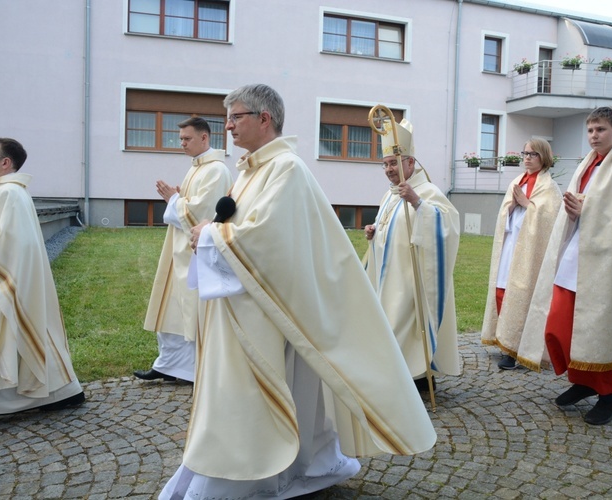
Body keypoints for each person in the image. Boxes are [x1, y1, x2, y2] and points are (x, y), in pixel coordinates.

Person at [159, 84, 436, 499]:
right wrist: (213, 232)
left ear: (264, 119)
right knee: (273, 390)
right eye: (228, 118)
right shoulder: (253, 169)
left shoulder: (285, 168)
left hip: (270, 308)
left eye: (236, 117)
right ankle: (288, 466)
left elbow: (269, 238)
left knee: (260, 392)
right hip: (250, 303)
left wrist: (212, 235)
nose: (229, 126)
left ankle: (254, 475)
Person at [517, 107, 612, 425]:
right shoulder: (587, 165)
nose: (594, 136)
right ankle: (584, 381)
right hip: (576, 255)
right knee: (560, 325)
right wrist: (578, 212)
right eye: (590, 130)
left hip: (608, 262)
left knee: (602, 327)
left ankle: (608, 396)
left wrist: (589, 210)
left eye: (601, 130)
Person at [0, 137, 85, 426]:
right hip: (4, 275)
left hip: (3, 276)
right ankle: (58, 393)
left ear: (5, 162)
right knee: (21, 331)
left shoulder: (9, 193)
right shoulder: (8, 192)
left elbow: (16, 244)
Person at [363, 118, 461, 390]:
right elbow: (389, 227)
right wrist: (374, 232)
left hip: (413, 278)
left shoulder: (427, 192)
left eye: (394, 163)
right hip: (389, 276)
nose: (388, 169)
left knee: (405, 327)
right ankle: (402, 377)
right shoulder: (391, 194)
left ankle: (419, 378)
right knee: (391, 326)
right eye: (385, 164)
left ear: (411, 163)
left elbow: (448, 226)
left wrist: (417, 202)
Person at [135, 117, 233, 383]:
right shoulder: (197, 168)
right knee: (172, 308)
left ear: (204, 138)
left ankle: (193, 370)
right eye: (180, 139)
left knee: (190, 311)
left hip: (194, 251)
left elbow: (203, 213)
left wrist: (174, 200)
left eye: (187, 139)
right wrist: (178, 199)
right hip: (178, 248)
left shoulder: (216, 170)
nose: (182, 144)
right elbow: (189, 205)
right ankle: (169, 365)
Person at [481, 139, 561, 370]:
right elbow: (504, 214)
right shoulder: (517, 181)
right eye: (524, 153)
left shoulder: (549, 187)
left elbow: (550, 221)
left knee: (523, 294)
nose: (527, 158)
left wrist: (528, 205)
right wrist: (511, 208)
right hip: (511, 245)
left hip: (530, 251)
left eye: (532, 154)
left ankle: (516, 348)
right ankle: (503, 341)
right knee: (502, 290)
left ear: (543, 156)